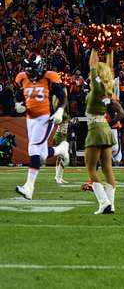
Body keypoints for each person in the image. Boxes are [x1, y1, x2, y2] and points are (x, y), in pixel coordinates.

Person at [14, 53, 70, 200]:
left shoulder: (49, 77)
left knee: (33, 148)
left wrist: (60, 110)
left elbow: (63, 97)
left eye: (33, 71)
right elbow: (19, 95)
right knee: (42, 154)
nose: (31, 74)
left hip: (45, 118)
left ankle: (29, 187)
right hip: (30, 119)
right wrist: (18, 104)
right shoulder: (21, 78)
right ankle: (61, 149)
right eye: (28, 71)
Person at [84, 49, 124, 214]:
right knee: (108, 168)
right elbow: (110, 68)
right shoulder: (109, 87)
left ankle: (103, 202)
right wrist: (110, 50)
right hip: (106, 128)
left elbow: (93, 65)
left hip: (95, 129)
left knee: (91, 168)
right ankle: (111, 205)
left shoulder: (96, 87)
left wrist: (94, 47)